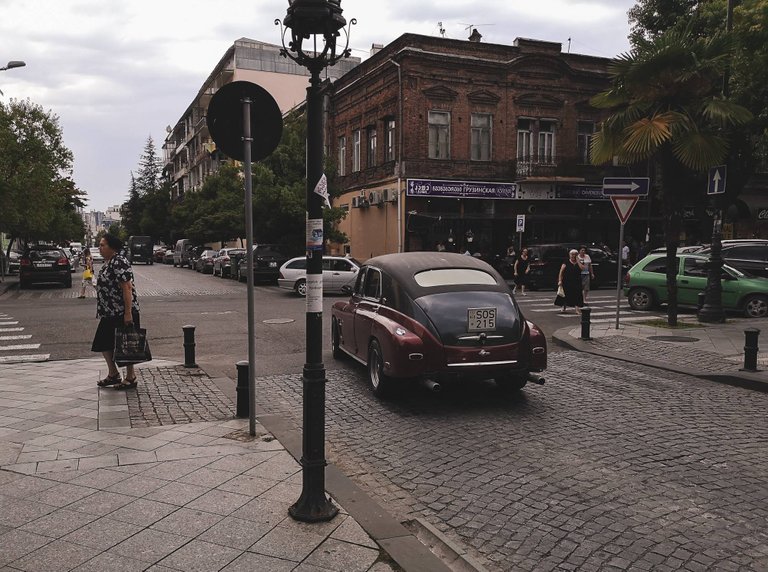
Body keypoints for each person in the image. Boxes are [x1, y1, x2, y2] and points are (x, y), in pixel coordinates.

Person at [91, 233, 141, 390]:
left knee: (126, 344)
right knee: (103, 342)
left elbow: (126, 287)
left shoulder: (119, 261)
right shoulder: (108, 263)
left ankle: (131, 376)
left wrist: (128, 313)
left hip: (121, 311)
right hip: (109, 312)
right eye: (99, 245)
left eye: (102, 245)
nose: (99, 248)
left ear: (112, 247)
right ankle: (113, 373)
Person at [555, 249, 585, 313]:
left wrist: (578, 260)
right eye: (572, 254)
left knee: (577, 294)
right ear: (569, 255)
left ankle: (577, 308)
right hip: (567, 281)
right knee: (565, 294)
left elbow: (582, 268)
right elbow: (561, 272)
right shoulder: (565, 262)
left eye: (575, 254)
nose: (573, 256)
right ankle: (563, 307)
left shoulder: (580, 262)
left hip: (577, 281)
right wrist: (560, 280)